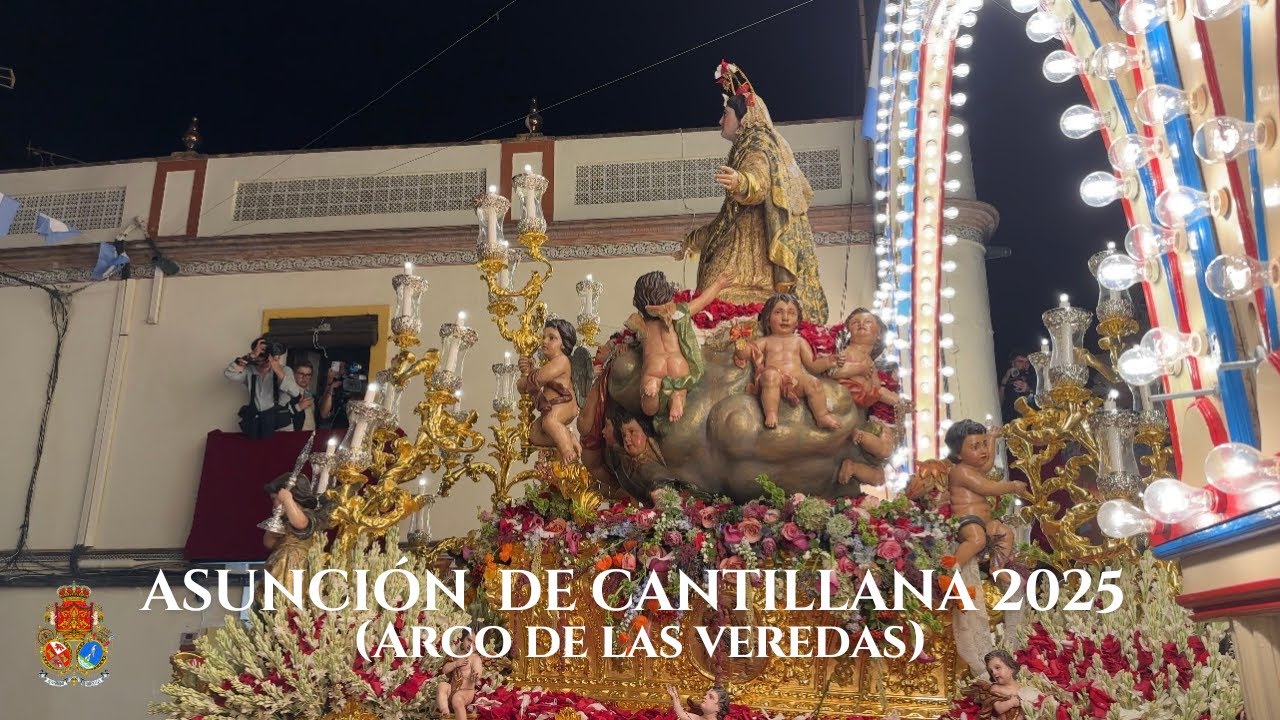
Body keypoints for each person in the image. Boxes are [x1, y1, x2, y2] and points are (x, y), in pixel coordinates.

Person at [679, 61, 828, 324]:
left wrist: (741, 182)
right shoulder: (745, 145)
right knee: (711, 291)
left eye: (725, 113)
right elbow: (725, 217)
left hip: (751, 247)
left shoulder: (757, 142)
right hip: (739, 236)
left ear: (743, 118)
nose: (720, 120)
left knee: (718, 293)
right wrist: (693, 239)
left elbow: (759, 179)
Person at [627, 270, 733, 425]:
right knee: (680, 391)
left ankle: (652, 389)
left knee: (648, 408)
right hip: (678, 364)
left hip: (654, 365)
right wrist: (719, 284)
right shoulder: (678, 313)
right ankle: (677, 400)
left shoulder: (640, 323)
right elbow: (703, 300)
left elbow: (633, 343)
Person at [734, 293, 842, 430]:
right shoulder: (766, 341)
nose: (785, 318)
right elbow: (748, 353)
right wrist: (740, 345)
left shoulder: (799, 341)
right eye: (778, 312)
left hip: (796, 381)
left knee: (814, 383)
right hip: (774, 381)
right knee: (770, 375)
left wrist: (827, 362)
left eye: (791, 313)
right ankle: (771, 413)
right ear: (767, 318)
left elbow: (812, 366)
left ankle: (822, 416)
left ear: (797, 320)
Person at [946, 421, 1027, 577]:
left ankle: (996, 567)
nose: (983, 450)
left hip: (984, 522)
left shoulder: (974, 468)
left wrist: (991, 438)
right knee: (977, 540)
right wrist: (1013, 486)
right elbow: (987, 488)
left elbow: (988, 464)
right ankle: (951, 570)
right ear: (958, 454)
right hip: (966, 521)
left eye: (984, 444)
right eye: (975, 447)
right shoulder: (961, 471)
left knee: (1005, 534)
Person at [518, 319, 589, 464]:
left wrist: (528, 374)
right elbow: (526, 385)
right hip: (552, 407)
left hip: (564, 404)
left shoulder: (561, 361)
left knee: (550, 422)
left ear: (564, 343)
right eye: (543, 337)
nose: (544, 341)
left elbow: (538, 379)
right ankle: (566, 436)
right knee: (535, 434)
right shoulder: (550, 364)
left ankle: (567, 450)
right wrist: (528, 373)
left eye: (552, 338)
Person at [225, 336, 301, 439]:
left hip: (281, 426)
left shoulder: (285, 370)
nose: (265, 357)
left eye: (267, 352)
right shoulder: (249, 370)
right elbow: (229, 374)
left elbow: (295, 393)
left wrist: (279, 371)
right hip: (258, 425)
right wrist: (250, 356)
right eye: (261, 352)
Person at [964, 649, 1046, 719]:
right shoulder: (995, 688)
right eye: (991, 671)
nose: (994, 673)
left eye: (997, 668)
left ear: (1011, 668)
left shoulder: (1021, 686)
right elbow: (999, 708)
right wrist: (1012, 702)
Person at [437, 629, 484, 720]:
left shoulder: (475, 658)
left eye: (475, 644)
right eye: (469, 640)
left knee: (457, 699)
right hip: (452, 688)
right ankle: (445, 710)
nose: (471, 645)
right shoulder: (456, 655)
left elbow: (478, 671)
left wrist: (476, 676)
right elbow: (444, 670)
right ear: (463, 638)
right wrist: (455, 664)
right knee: (442, 686)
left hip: (466, 691)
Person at [998, 353, 1033, 422]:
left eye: (1027, 362)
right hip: (1010, 419)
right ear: (1013, 363)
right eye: (1020, 361)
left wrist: (1028, 389)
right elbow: (999, 403)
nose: (1024, 364)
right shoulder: (1005, 377)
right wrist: (1005, 380)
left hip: (1029, 419)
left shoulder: (1034, 377)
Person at [666, 684, 730, 720]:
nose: (705, 697)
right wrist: (675, 697)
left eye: (711, 697)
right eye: (706, 694)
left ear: (719, 707)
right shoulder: (696, 718)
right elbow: (681, 714)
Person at [289, 363, 316, 431]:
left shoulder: (310, 394)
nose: (304, 377)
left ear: (311, 377)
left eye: (308, 375)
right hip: (294, 436)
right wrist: (298, 407)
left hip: (311, 436)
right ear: (294, 374)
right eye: (301, 374)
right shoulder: (287, 392)